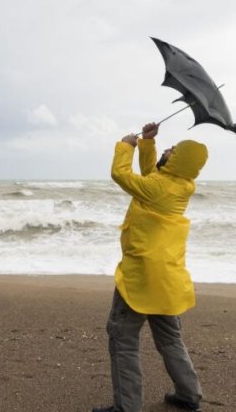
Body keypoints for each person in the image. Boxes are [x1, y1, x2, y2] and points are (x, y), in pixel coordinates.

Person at [92, 122, 207, 412]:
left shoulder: (158, 188)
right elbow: (151, 176)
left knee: (122, 337)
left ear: (178, 160)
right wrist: (148, 144)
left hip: (141, 277)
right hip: (168, 279)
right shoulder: (179, 184)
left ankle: (126, 407)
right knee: (170, 339)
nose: (169, 148)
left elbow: (121, 174)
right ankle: (189, 394)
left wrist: (126, 145)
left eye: (174, 149)